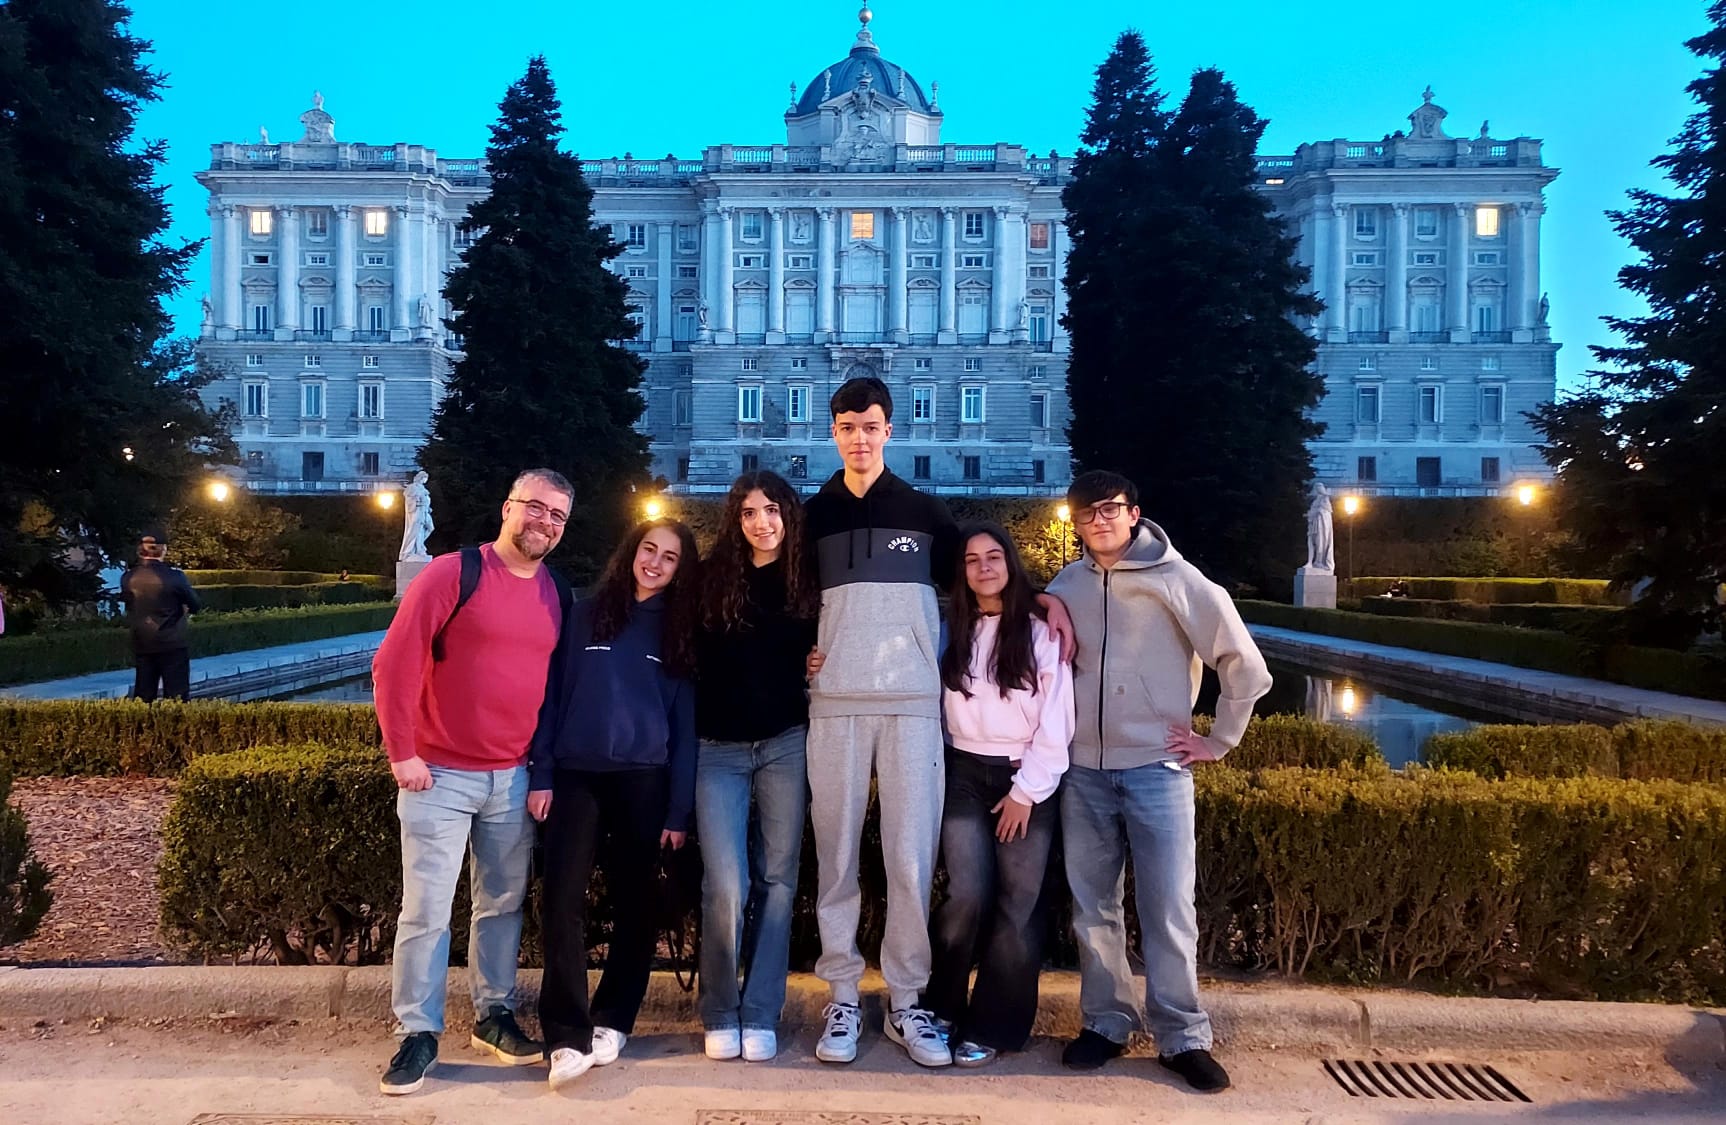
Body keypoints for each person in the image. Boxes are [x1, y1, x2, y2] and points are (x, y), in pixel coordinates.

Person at [1046, 470, 1272, 1093]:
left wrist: (1218, 740)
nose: (1100, 520)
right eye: (1087, 513)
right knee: (1094, 910)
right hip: (1084, 772)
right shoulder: (1066, 584)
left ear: (1134, 512)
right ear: (1078, 523)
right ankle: (1106, 1024)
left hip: (1156, 770)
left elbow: (1243, 666)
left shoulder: (1179, 579)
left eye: (1110, 509)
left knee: (1169, 907)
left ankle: (1182, 1035)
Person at [371, 469, 575, 1096]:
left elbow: (555, 697)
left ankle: (494, 1014)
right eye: (534, 508)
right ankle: (418, 1032)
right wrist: (402, 752)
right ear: (508, 507)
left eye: (557, 516)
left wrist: (540, 772)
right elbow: (394, 663)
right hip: (440, 774)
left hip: (512, 778)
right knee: (427, 910)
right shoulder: (451, 574)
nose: (543, 522)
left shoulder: (558, 594)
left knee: (501, 906)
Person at [801, 375, 960, 1069]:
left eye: (870, 426)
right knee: (833, 855)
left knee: (909, 858)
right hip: (833, 704)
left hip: (912, 707)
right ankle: (840, 991)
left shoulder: (928, 514)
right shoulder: (811, 516)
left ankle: (906, 999)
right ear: (832, 432)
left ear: (889, 430)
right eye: (846, 427)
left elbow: (973, 595)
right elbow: (788, 610)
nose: (859, 438)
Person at [528, 518, 702, 1092]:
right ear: (631, 552)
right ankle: (565, 1033)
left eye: (669, 557)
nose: (655, 562)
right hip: (576, 778)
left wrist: (678, 812)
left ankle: (613, 1019)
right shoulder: (583, 614)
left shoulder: (679, 632)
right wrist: (543, 772)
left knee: (636, 906)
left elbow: (684, 729)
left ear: (681, 570)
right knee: (562, 901)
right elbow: (551, 700)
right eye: (648, 549)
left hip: (644, 781)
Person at [925, 522, 1073, 1067]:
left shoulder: (1039, 632)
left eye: (994, 556)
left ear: (1010, 563)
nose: (983, 566)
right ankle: (940, 1007)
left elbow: (1057, 721)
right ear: (961, 572)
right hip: (963, 772)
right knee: (965, 893)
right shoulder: (950, 630)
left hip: (1024, 775)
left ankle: (994, 1025)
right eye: (971, 559)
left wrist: (1026, 792)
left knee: (1019, 905)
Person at [694, 472, 819, 1064]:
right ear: (734, 520)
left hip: (785, 743)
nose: (761, 522)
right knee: (726, 884)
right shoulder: (711, 576)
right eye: (748, 512)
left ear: (788, 515)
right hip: (717, 748)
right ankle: (720, 1009)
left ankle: (762, 1010)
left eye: (771, 510)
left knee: (778, 880)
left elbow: (826, 648)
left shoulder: (808, 579)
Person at [119, 533, 202, 702]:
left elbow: (130, 605)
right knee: (176, 695)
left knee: (143, 693)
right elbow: (195, 604)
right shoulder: (175, 576)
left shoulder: (128, 577)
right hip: (171, 641)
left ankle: (141, 727)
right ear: (163, 549)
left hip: (142, 641)